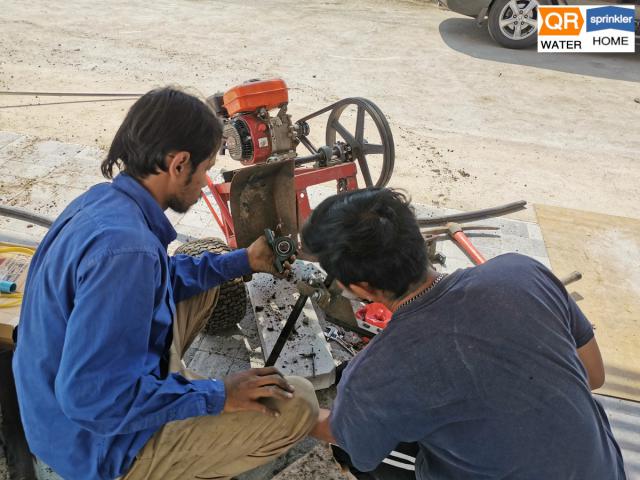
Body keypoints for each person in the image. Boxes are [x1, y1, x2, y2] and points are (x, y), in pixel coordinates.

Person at [13, 87, 318, 480]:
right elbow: (92, 401)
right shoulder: (128, 252)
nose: (205, 182)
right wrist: (218, 395)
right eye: (206, 169)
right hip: (94, 445)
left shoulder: (104, 204)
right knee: (299, 403)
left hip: (56, 404)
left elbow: (163, 277)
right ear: (179, 164)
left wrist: (244, 260)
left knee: (206, 279)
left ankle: (172, 394)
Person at [302, 188, 626, 479]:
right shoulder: (523, 273)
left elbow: (349, 438)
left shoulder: (376, 373)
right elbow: (593, 375)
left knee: (356, 452)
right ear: (417, 239)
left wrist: (293, 408)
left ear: (360, 288)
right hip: (604, 471)